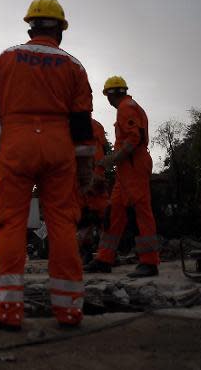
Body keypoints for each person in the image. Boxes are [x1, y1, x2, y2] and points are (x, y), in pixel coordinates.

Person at [0, 0, 94, 329]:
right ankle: (69, 309)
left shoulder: (7, 59)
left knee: (11, 223)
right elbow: (83, 125)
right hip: (59, 148)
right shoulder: (75, 66)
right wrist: (85, 166)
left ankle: (9, 309)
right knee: (61, 224)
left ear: (30, 26)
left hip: (17, 145)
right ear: (60, 31)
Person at [85, 76, 159, 278]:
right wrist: (115, 160)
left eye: (107, 95)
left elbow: (134, 137)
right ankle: (104, 259)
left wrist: (114, 158)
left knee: (140, 211)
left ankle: (150, 262)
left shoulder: (126, 107)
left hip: (134, 165)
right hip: (126, 168)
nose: (107, 100)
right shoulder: (128, 107)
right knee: (114, 212)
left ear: (111, 94)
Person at [76, 119, 110, 263]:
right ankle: (106, 255)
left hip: (87, 179)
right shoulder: (98, 126)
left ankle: (91, 254)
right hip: (95, 177)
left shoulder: (74, 125)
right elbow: (103, 151)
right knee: (101, 218)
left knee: (87, 218)